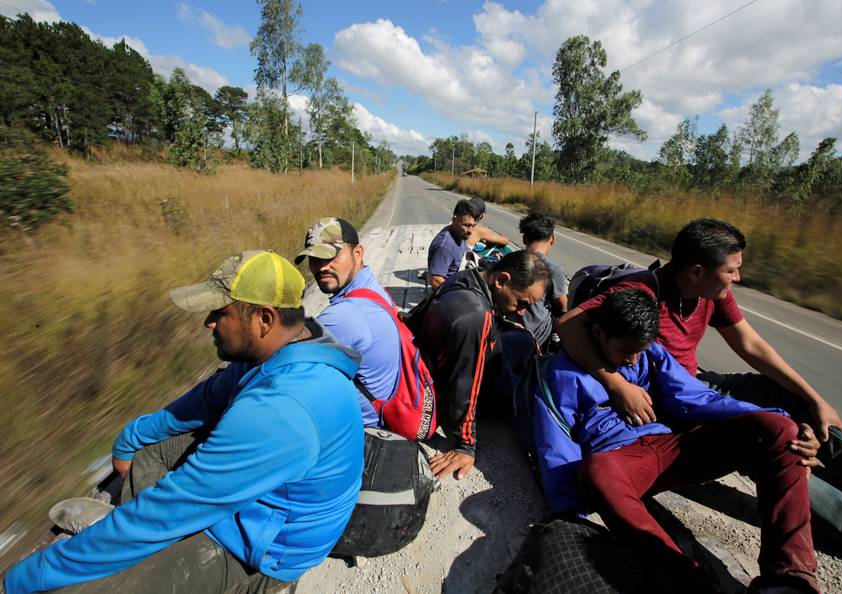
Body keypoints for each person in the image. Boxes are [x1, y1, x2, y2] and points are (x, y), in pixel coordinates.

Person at [4, 251, 364, 593]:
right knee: (150, 452)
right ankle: (119, 539)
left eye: (220, 311)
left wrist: (24, 578)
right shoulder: (284, 346)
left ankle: (120, 545)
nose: (208, 321)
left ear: (264, 319)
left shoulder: (284, 409)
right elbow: (207, 397)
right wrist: (131, 438)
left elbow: (172, 507)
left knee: (87, 585)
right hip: (256, 500)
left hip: (267, 550)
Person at [557, 218, 842, 564]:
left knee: (785, 395)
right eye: (732, 270)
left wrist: (814, 399)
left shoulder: (711, 294)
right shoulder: (641, 293)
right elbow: (569, 324)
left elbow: (750, 344)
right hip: (675, 403)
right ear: (698, 271)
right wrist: (616, 383)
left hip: (698, 382)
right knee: (780, 450)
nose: (738, 278)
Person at [536, 289, 821, 593]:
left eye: (639, 351)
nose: (632, 359)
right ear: (597, 332)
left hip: (669, 448)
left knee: (779, 430)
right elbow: (556, 443)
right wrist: (569, 511)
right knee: (596, 471)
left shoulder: (651, 356)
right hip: (620, 464)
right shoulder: (562, 375)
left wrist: (775, 417)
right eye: (624, 349)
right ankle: (689, 581)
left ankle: (789, 578)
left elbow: (697, 397)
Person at [411, 250, 549, 481]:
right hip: (461, 385)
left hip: (445, 354)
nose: (522, 311)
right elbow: (465, 383)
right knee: (534, 393)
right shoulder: (476, 317)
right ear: (501, 280)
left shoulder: (467, 278)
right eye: (521, 302)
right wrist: (465, 445)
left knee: (524, 338)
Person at [295, 217, 400, 427]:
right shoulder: (373, 289)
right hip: (383, 404)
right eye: (314, 258)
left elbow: (287, 371)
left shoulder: (343, 317)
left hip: (362, 427)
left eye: (331, 255)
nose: (322, 266)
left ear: (358, 253)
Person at [518, 212, 568, 350]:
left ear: (524, 239)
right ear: (552, 239)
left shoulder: (510, 259)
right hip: (537, 335)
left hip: (508, 327)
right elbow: (562, 306)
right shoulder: (552, 267)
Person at [427, 199, 480, 289]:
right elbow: (435, 280)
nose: (470, 231)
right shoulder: (445, 246)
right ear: (454, 220)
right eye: (466, 225)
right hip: (451, 292)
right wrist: (460, 293)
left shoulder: (459, 233)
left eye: (472, 226)